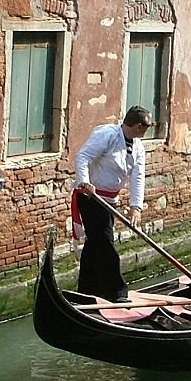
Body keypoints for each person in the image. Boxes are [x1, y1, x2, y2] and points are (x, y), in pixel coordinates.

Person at [71, 105, 152, 302]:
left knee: (95, 245)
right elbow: (83, 156)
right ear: (139, 125)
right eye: (148, 125)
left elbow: (138, 177)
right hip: (91, 197)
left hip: (109, 201)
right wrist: (85, 181)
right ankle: (117, 292)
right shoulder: (107, 134)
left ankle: (86, 292)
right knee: (106, 244)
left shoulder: (138, 147)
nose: (148, 129)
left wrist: (136, 207)